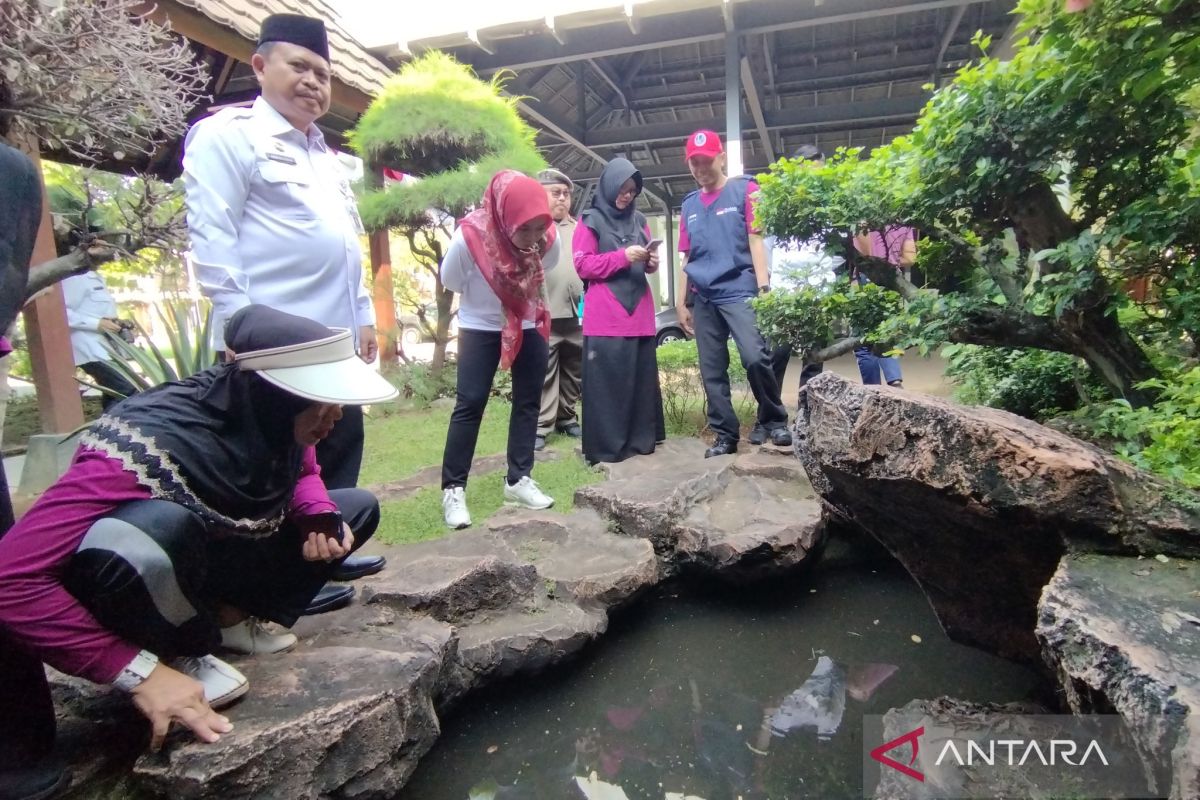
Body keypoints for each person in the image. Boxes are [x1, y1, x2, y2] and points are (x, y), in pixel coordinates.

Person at [0, 305, 397, 800]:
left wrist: (316, 510)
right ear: (276, 396)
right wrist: (135, 671)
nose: (336, 417)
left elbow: (302, 471)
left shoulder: (271, 421)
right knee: (155, 527)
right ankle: (176, 652)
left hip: (206, 563)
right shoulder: (143, 447)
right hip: (138, 578)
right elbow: (9, 577)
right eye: (324, 403)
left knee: (352, 509)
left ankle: (227, 624)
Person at [182, 13, 383, 590]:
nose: (313, 82)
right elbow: (214, 236)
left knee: (339, 447)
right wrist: (237, 325)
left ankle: (327, 560)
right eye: (300, 66)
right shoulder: (230, 135)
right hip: (276, 344)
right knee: (277, 466)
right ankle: (273, 585)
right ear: (260, 65)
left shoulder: (325, 154)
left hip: (334, 339)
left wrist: (364, 314)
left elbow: (345, 243)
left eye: (322, 73)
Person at [439, 170, 558, 530]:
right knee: (470, 403)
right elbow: (451, 281)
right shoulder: (469, 238)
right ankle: (453, 489)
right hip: (480, 327)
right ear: (505, 217)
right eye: (526, 230)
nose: (534, 239)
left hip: (528, 322)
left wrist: (536, 240)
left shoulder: (548, 240)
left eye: (540, 228)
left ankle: (518, 480)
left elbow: (546, 266)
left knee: (528, 402)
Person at [673, 130, 791, 458]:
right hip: (704, 295)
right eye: (694, 163)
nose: (700, 168)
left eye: (706, 160)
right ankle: (725, 435)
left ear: (721, 157)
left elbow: (756, 241)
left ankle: (773, 420)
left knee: (755, 356)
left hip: (739, 289)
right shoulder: (690, 206)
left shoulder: (746, 190)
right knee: (712, 369)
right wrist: (682, 302)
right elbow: (686, 257)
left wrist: (764, 287)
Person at [574, 157, 665, 464]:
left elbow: (646, 264)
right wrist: (622, 257)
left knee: (639, 383)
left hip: (639, 311)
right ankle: (607, 449)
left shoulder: (639, 220)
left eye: (632, 191)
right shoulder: (590, 219)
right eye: (623, 189)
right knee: (608, 385)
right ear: (609, 185)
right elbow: (583, 265)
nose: (627, 196)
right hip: (606, 316)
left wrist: (650, 262)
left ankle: (640, 442)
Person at [762, 146, 846, 412]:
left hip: (818, 292)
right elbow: (766, 248)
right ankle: (771, 417)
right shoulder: (779, 205)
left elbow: (839, 250)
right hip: (783, 293)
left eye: (819, 171)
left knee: (814, 359)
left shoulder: (829, 206)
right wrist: (776, 282)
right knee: (776, 355)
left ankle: (807, 413)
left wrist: (821, 273)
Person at [534, 168, 584, 452]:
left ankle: (567, 416)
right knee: (545, 369)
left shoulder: (580, 229)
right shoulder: (535, 229)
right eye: (556, 193)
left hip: (578, 312)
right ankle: (542, 425)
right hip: (546, 311)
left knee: (575, 369)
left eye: (566, 194)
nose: (562, 199)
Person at [61, 271, 138, 410]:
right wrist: (96, 323)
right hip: (88, 347)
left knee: (113, 394)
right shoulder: (76, 278)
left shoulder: (96, 277)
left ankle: (108, 428)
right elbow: (61, 312)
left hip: (107, 346)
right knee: (127, 390)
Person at [852, 225, 916, 388]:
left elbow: (865, 254)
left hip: (868, 277)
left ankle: (874, 390)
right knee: (888, 332)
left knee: (863, 342)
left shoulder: (865, 218)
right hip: (893, 277)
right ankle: (894, 380)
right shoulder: (904, 222)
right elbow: (910, 258)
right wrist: (891, 261)